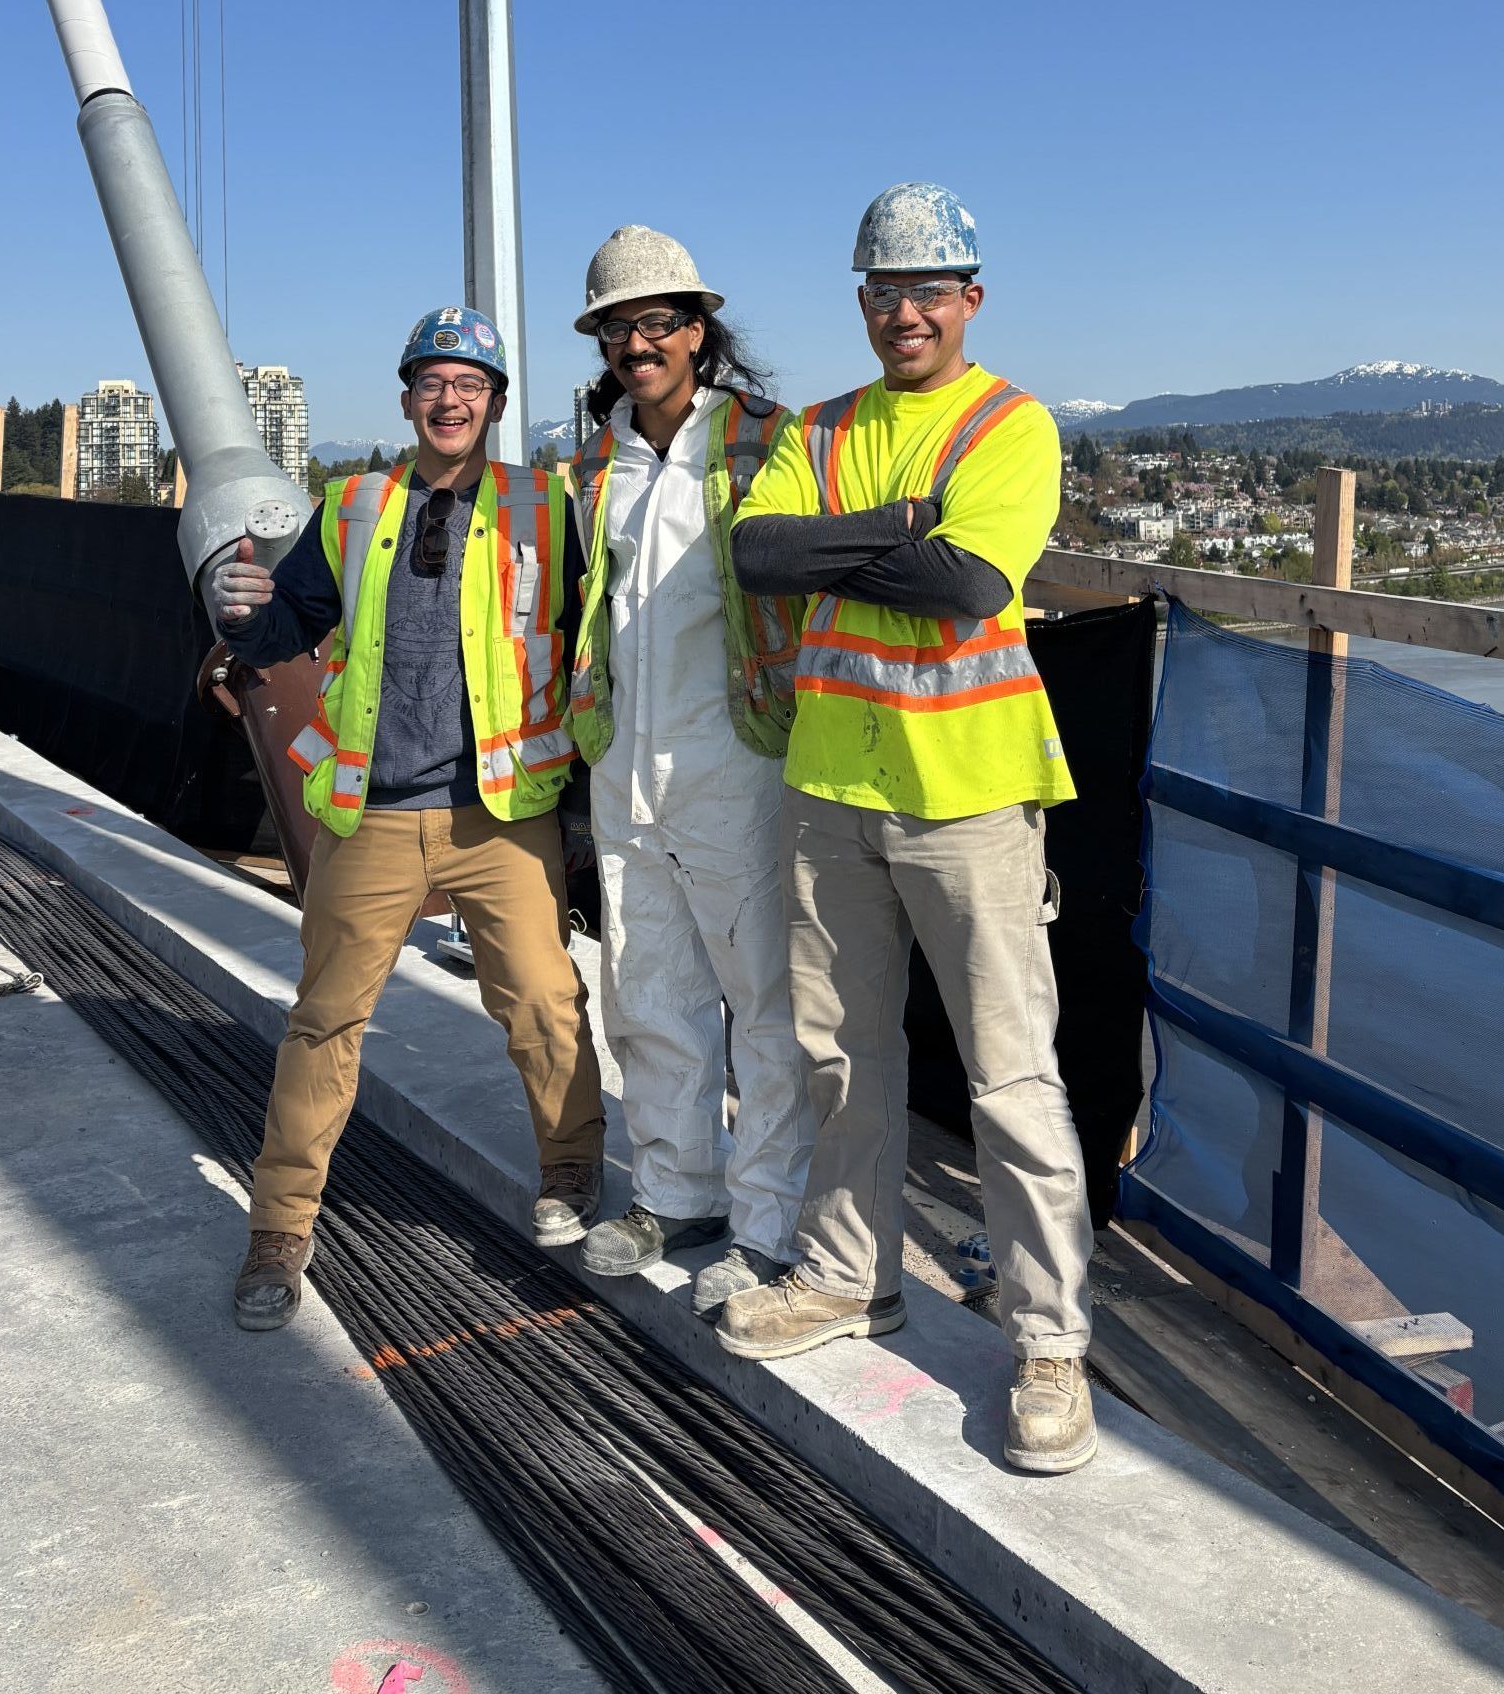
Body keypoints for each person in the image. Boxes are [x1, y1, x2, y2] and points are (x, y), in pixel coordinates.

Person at [716, 185, 1099, 1473]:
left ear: (971, 299)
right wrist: (891, 528)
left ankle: (1050, 1344)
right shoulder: (821, 427)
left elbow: (965, 588)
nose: (906, 312)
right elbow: (759, 558)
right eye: (885, 291)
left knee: (1010, 1077)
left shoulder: (1012, 424)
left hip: (970, 796)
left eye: (931, 289)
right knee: (842, 1054)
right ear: (861, 301)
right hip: (832, 788)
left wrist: (850, 547)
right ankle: (847, 1275)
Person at [209, 305, 607, 1331]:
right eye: (432, 381)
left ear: (497, 404)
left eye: (469, 384)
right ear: (406, 399)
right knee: (325, 1021)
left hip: (503, 812)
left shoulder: (543, 506)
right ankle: (279, 1225)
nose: (450, 398)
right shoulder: (352, 506)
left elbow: (591, 633)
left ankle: (572, 1176)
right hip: (373, 814)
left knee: (544, 1004)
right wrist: (244, 615)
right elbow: (291, 622)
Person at [566, 226, 816, 1316]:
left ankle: (766, 1224)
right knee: (649, 983)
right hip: (625, 758)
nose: (639, 342)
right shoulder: (593, 461)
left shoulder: (766, 444)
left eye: (658, 322)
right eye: (620, 327)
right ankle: (675, 1190)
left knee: (762, 997)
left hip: (736, 754)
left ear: (698, 331)